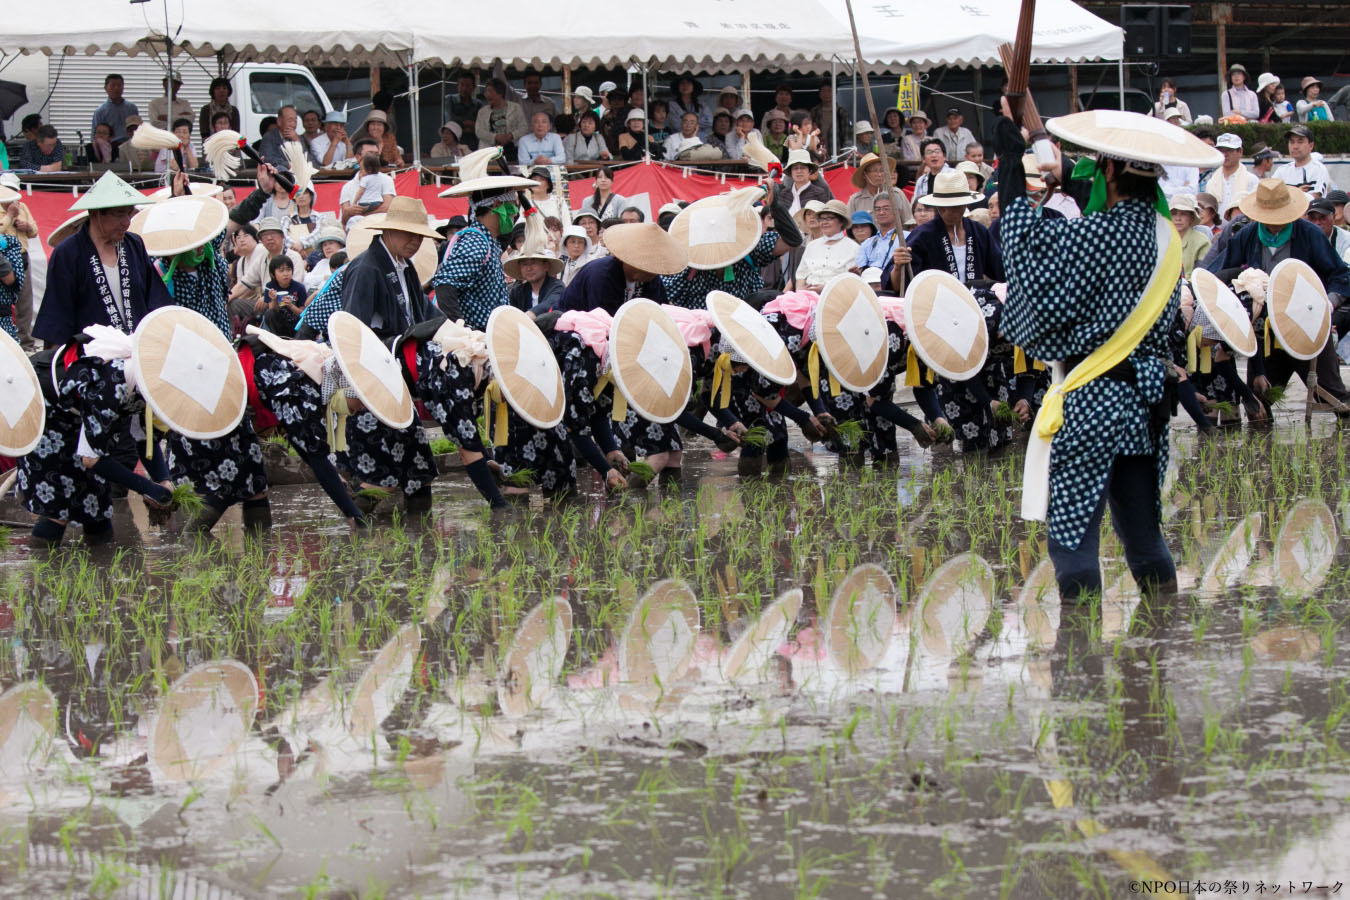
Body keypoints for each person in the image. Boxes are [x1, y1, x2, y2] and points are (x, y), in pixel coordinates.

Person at [991, 105, 1201, 600]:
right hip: (1143, 403)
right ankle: (1160, 648)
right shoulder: (1165, 235)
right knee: (1144, 536)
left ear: (1108, 170)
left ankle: (1079, 661)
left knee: (1073, 541)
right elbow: (1097, 200)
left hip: (1091, 399)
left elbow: (1024, 246)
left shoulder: (1096, 234)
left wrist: (1009, 165)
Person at [1206, 178, 1350, 410]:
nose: (1275, 224)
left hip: (1306, 324)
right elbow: (1218, 274)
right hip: (1264, 331)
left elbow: (1341, 277)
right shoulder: (1247, 235)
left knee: (1335, 399)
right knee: (1260, 402)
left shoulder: (1310, 234)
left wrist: (1326, 306)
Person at [35, 171, 172, 345]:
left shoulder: (134, 245)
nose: (126, 222)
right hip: (90, 357)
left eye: (129, 213)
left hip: (136, 353)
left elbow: (156, 300)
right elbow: (57, 315)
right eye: (119, 214)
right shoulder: (68, 253)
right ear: (96, 213)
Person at [0, 177, 38, 349]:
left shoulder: (23, 207)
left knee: (25, 302)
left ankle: (26, 343)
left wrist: (28, 227)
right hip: (4, 260)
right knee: (4, 303)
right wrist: (9, 216)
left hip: (22, 256)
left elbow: (35, 231)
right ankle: (6, 341)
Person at [795, 200, 857, 291]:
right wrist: (800, 292)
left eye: (829, 218)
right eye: (821, 219)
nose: (824, 222)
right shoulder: (811, 246)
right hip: (808, 294)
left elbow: (850, 281)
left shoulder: (853, 248)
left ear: (841, 222)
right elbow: (801, 275)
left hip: (836, 296)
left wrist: (826, 289)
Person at [338, 141, 396, 225]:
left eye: (376, 155)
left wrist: (361, 216)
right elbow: (344, 219)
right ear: (358, 157)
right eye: (370, 154)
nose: (374, 158)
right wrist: (348, 212)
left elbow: (387, 207)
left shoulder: (386, 180)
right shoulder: (347, 187)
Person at [505, 233, 564, 314]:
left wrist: (529, 316)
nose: (529, 268)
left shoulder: (557, 287)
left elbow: (550, 303)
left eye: (533, 263)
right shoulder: (517, 292)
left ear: (545, 266)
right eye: (524, 264)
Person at [846, 152, 913, 224]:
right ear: (864, 175)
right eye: (875, 170)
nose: (879, 174)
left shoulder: (896, 194)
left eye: (882, 170)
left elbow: (908, 221)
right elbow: (849, 227)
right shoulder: (855, 200)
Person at [1201, 133, 1260, 210]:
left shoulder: (1252, 180)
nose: (1225, 154)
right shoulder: (1211, 182)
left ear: (1240, 151)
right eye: (1221, 151)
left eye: (1229, 150)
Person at [475, 78, 529, 161]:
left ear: (500, 93)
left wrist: (510, 136)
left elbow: (524, 127)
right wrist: (496, 137)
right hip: (489, 151)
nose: (486, 95)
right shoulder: (482, 111)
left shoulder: (515, 108)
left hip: (512, 149)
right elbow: (479, 131)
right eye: (486, 92)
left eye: (490, 92)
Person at [851, 192, 903, 274]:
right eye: (878, 209)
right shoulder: (867, 244)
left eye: (886, 208)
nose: (881, 212)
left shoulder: (906, 238)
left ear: (898, 212)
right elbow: (860, 268)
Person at [1275, 125, 1332, 198]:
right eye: (1292, 142)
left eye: (1300, 142)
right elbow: (1272, 196)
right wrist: (1297, 192)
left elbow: (1314, 198)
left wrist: (1287, 194)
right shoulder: (1281, 171)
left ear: (1311, 146)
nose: (1295, 146)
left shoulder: (1319, 170)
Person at [257, 105, 314, 170]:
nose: (293, 125)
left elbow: (310, 162)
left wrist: (297, 141)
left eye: (295, 121)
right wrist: (289, 165)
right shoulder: (269, 137)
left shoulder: (298, 138)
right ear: (279, 121)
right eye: (290, 121)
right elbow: (267, 159)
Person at [781, 148, 833, 215]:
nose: (799, 171)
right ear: (791, 172)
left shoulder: (819, 193)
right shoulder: (783, 194)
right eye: (795, 168)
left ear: (810, 171)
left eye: (803, 167)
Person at [1168, 194, 1210, 276]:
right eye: (1173, 214)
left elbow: (1201, 274)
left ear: (1192, 218)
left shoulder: (1202, 241)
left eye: (1183, 214)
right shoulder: (1162, 239)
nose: (1178, 218)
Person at [91, 74, 139, 144]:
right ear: (105, 88)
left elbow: (137, 130)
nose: (116, 88)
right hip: (109, 147)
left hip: (129, 146)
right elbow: (94, 136)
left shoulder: (132, 108)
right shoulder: (100, 111)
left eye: (119, 85)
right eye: (113, 85)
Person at [810, 83, 848, 155]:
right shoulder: (814, 112)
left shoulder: (841, 112)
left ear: (835, 93)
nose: (826, 94)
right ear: (820, 94)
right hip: (818, 152)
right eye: (824, 91)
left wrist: (844, 153)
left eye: (830, 91)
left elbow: (846, 136)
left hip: (837, 152)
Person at [449, 72, 483, 150]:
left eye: (468, 86)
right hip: (455, 143)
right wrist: (469, 124)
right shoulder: (450, 99)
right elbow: (450, 122)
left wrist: (461, 124)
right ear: (457, 86)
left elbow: (480, 126)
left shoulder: (478, 104)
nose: (464, 88)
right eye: (462, 85)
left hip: (474, 143)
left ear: (474, 87)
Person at [198, 77, 239, 141]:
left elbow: (236, 132)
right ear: (213, 91)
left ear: (228, 91)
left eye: (224, 88)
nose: (221, 91)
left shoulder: (234, 110)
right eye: (218, 88)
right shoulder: (206, 109)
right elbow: (204, 132)